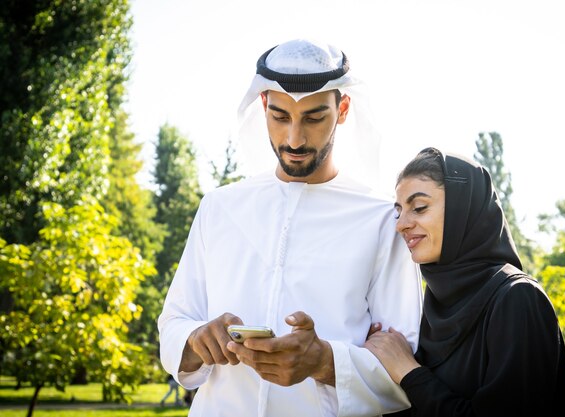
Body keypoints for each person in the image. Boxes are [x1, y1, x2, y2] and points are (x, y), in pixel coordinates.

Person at [157, 39, 422, 417]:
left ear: (342, 109)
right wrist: (196, 339)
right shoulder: (219, 208)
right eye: (280, 117)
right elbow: (173, 324)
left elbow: (404, 367)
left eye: (314, 118)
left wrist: (323, 361)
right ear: (263, 104)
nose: (294, 139)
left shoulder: (380, 218)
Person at [365, 147, 565, 417]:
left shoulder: (518, 298)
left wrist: (408, 372)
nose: (401, 225)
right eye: (399, 212)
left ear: (463, 209)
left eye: (418, 207)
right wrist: (381, 367)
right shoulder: (429, 309)